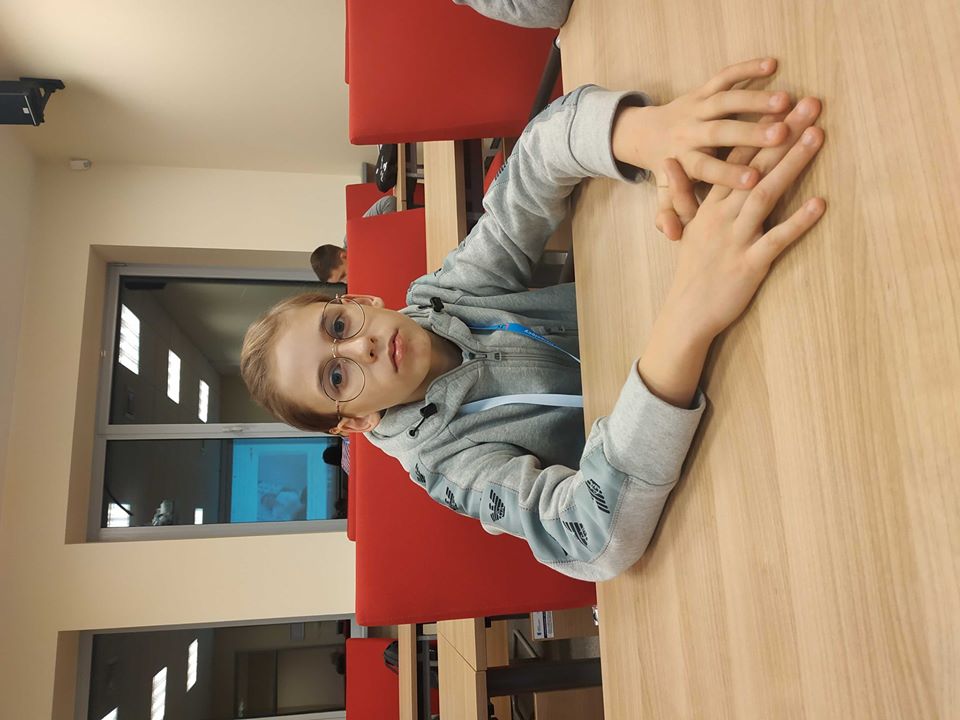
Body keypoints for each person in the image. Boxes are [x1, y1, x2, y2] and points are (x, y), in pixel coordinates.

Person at [241, 59, 826, 581]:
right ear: (355, 422)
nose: (360, 349)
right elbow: (588, 540)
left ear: (360, 301)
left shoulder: (443, 297)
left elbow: (536, 160)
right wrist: (686, 320)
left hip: (727, 323)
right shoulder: (446, 467)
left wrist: (641, 133)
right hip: (719, 465)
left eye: (338, 327)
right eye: (336, 378)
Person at [310, 195, 399, 283]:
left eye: (343, 275)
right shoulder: (361, 281)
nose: (347, 282)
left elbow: (388, 201)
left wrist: (389, 237)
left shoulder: (355, 237)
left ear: (344, 256)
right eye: (341, 281)